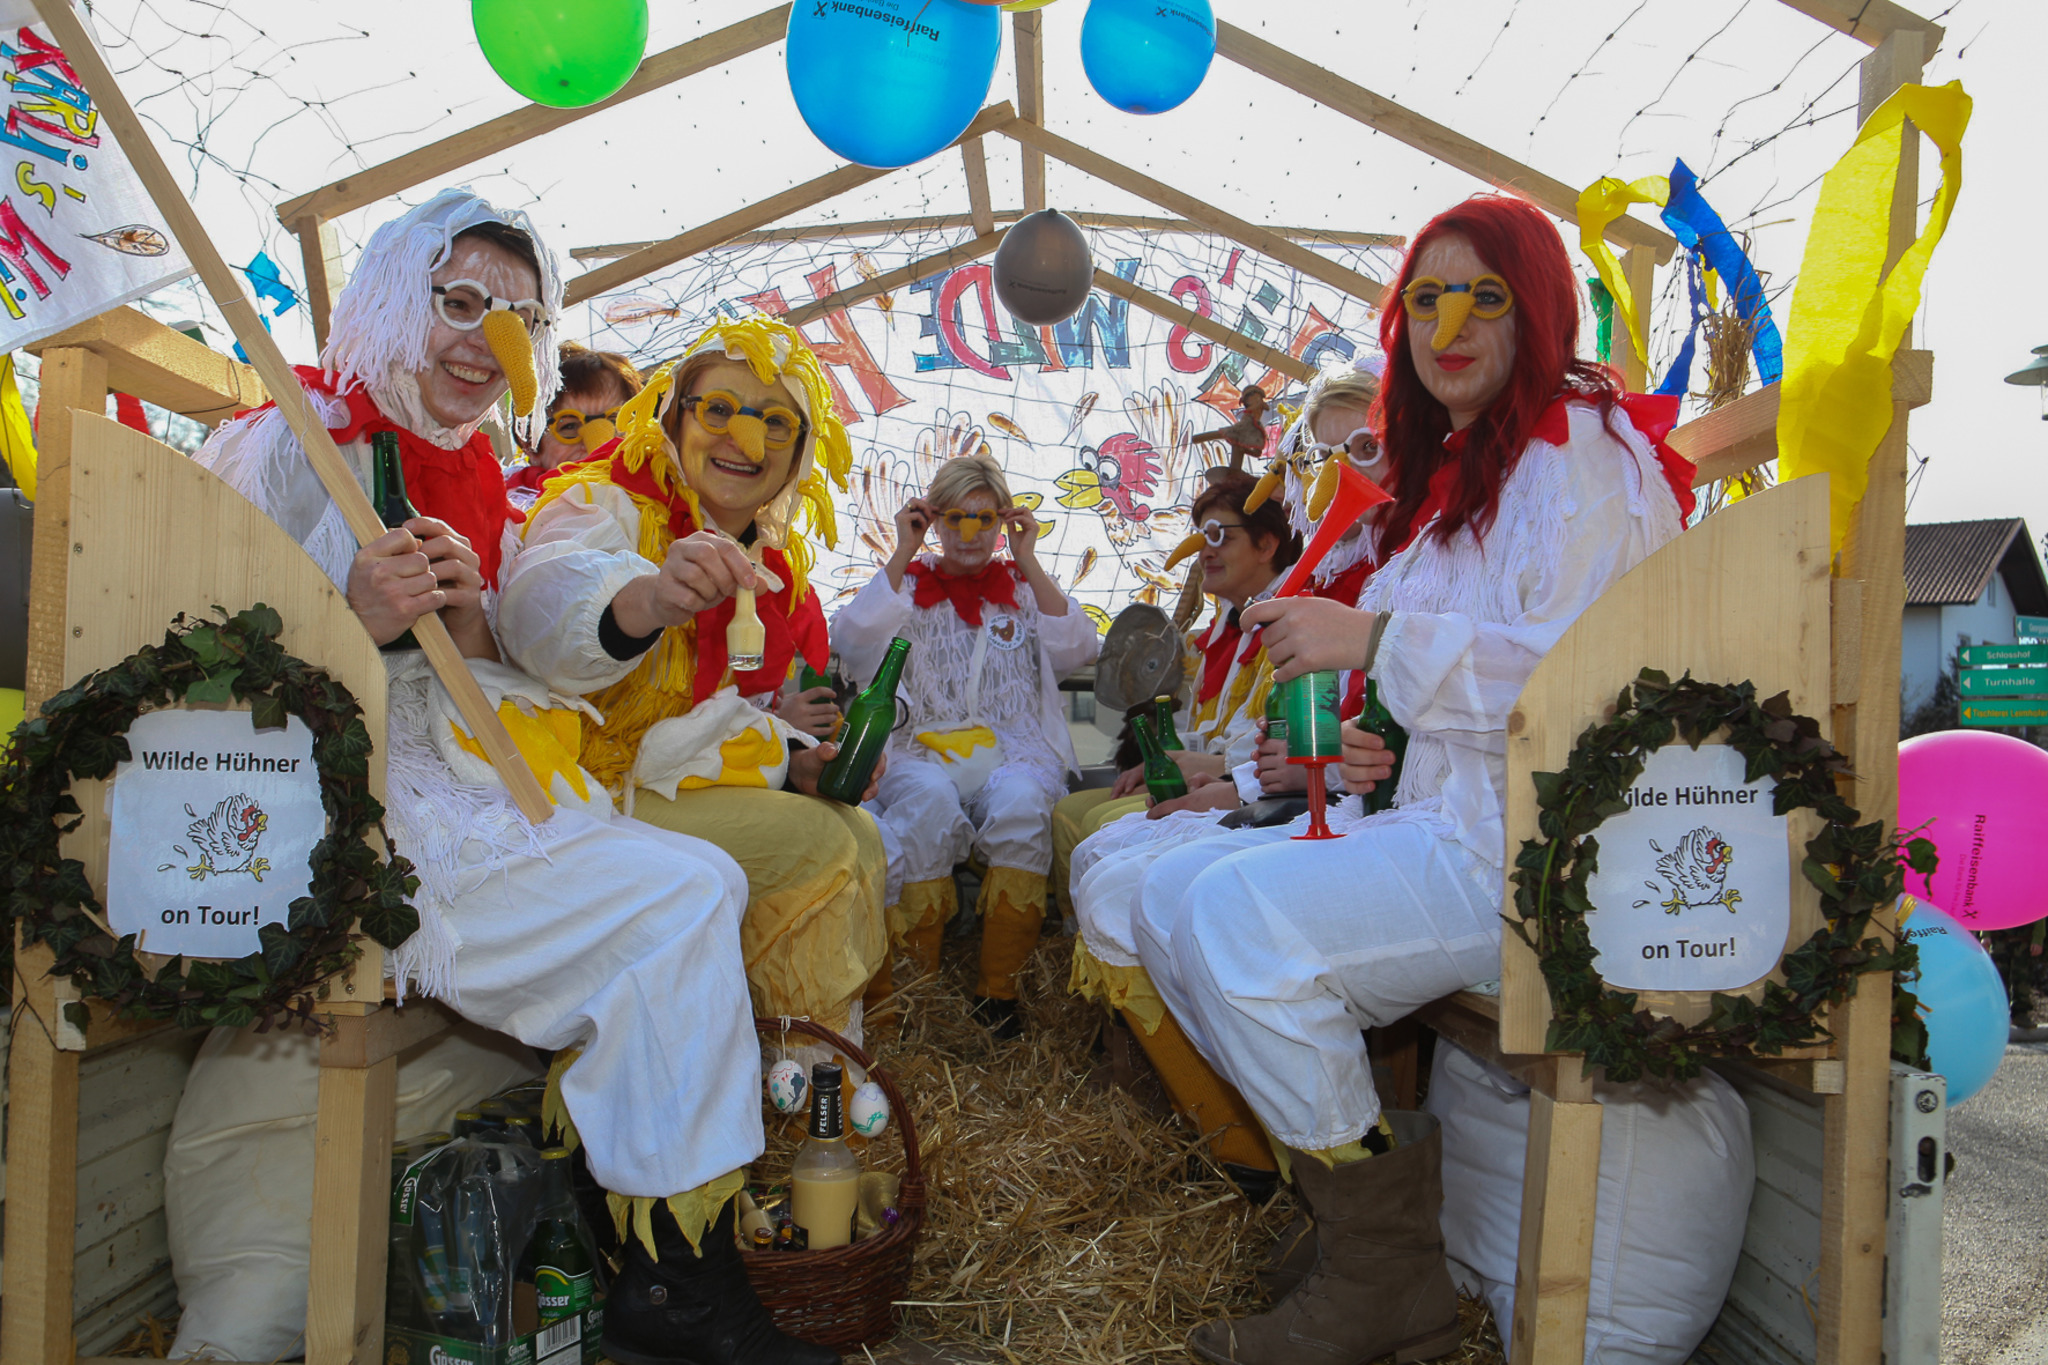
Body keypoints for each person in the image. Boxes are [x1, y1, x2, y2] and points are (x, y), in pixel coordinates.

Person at [193, 189, 832, 1365]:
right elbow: (181, 669)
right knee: (678, 896)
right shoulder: (290, 441)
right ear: (392, 299)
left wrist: (476, 628)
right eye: (458, 302)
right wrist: (350, 622)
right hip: (338, 815)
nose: (482, 341)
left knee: (689, 886)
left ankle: (660, 1261)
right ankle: (674, 1279)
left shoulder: (470, 468)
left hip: (463, 775)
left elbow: (532, 621)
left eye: (514, 320)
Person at [1136, 194, 1699, 1365]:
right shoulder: (1472, 469)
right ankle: (1363, 1241)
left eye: (1483, 296)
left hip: (1549, 855)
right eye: (1425, 299)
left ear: (1537, 309)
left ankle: (1385, 1275)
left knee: (1239, 919)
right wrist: (1365, 733)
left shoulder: (1579, 455)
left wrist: (1377, 645)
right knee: (1163, 897)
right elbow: (1444, 690)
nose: (1448, 325)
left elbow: (1598, 684)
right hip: (1461, 819)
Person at [501, 315, 889, 1049]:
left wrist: (793, 760)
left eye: (776, 423)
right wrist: (645, 600)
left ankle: (801, 1069)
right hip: (572, 798)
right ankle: (810, 1086)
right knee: (819, 847)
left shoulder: (765, 565)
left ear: (799, 454)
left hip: (656, 785)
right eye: (719, 411)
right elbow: (534, 610)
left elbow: (709, 717)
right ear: (671, 420)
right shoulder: (607, 502)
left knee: (858, 830)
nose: (747, 441)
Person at [831, 453, 1100, 1038]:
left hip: (1014, 747)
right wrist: (903, 551)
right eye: (954, 519)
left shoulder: (1021, 591)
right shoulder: (906, 589)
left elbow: (1079, 647)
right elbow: (850, 643)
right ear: (934, 522)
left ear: (1003, 522)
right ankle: (915, 992)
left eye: (984, 519)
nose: (969, 534)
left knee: (1023, 805)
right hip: (921, 747)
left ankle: (997, 995)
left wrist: (1028, 560)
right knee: (925, 804)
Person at [1048, 467, 1298, 910]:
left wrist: (1216, 764)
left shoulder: (1294, 618)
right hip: (1210, 770)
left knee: (1102, 824)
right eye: (1201, 537)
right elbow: (1201, 724)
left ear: (1267, 544)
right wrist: (1166, 763)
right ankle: (1086, 960)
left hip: (1255, 784)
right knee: (1069, 815)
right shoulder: (1226, 627)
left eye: (1220, 536)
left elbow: (1283, 731)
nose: (1205, 553)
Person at [505, 341, 642, 507]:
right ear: (529, 444)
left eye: (615, 421)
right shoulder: (514, 520)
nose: (600, 446)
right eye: (569, 426)